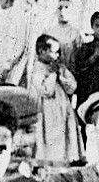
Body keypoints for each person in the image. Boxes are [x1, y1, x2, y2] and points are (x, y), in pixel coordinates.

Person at [25, 33, 82, 167]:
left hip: (62, 110)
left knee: (63, 138)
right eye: (54, 52)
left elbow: (72, 87)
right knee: (48, 138)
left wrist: (62, 76)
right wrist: (52, 75)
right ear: (42, 51)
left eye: (58, 53)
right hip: (47, 112)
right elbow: (46, 91)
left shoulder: (59, 67)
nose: (57, 56)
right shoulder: (37, 69)